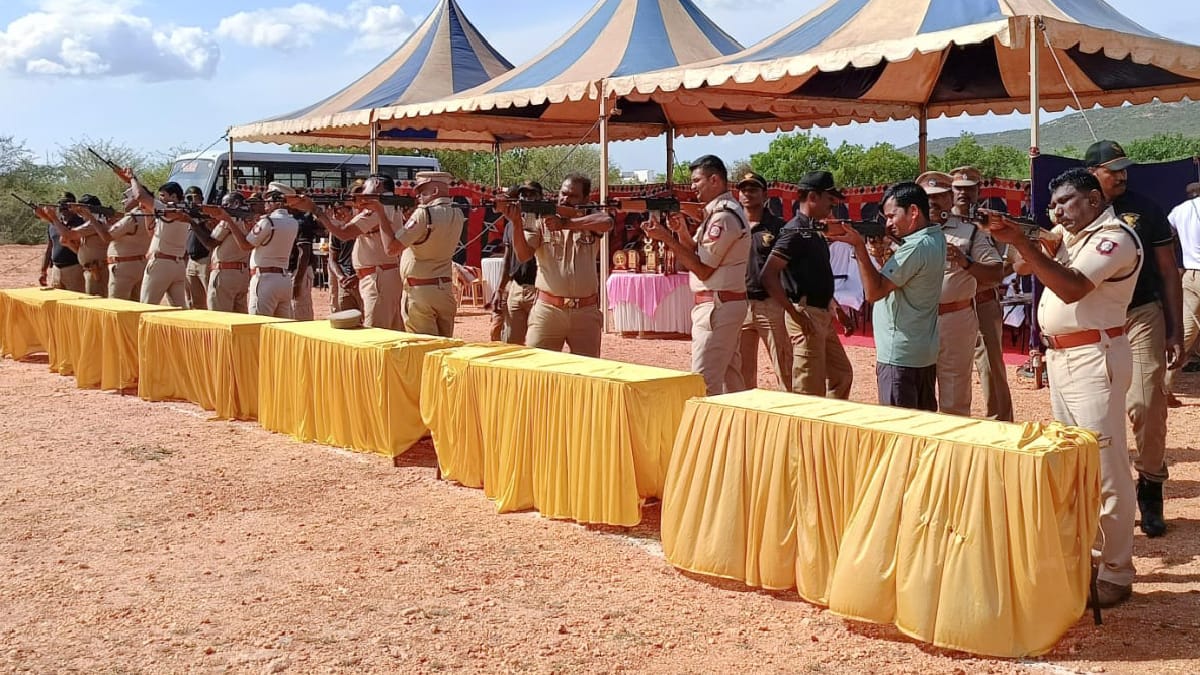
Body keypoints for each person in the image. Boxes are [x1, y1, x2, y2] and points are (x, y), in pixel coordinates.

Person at [987, 167, 1141, 608]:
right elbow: (1020, 265)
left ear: (1094, 200)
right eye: (1053, 205)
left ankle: (1117, 570)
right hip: (1064, 357)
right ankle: (1088, 557)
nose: (1058, 212)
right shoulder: (1071, 233)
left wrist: (1022, 241)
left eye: (1067, 202)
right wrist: (1026, 239)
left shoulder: (1114, 238)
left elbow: (1073, 288)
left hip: (1095, 356)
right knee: (1077, 461)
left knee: (1107, 468)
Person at [1086, 140, 1182, 538]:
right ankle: (1101, 493)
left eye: (1125, 168)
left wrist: (1175, 328)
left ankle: (1151, 485)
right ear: (1093, 174)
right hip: (1094, 321)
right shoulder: (1073, 211)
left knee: (1145, 402)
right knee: (1096, 412)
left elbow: (1168, 270)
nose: (1122, 175)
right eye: (1113, 169)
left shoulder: (1146, 210)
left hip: (1141, 315)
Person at [830, 182, 945, 411]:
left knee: (899, 433)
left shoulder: (914, 247)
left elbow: (874, 292)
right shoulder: (935, 237)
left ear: (913, 212)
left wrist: (858, 247)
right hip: (921, 352)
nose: (889, 224)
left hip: (899, 355)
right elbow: (903, 281)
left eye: (892, 216)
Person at [644, 155, 749, 395]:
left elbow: (703, 269)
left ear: (714, 180)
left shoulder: (723, 217)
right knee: (730, 380)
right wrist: (680, 232)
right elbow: (697, 253)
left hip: (717, 305)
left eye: (696, 181)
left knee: (703, 383)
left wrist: (667, 238)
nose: (692, 187)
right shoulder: (718, 214)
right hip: (720, 303)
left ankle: (706, 433)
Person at [760, 170, 852, 398]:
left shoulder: (813, 230)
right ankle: (808, 432)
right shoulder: (794, 232)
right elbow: (768, 275)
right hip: (805, 313)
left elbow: (816, 276)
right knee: (809, 388)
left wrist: (836, 307)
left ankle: (827, 426)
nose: (831, 206)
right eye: (829, 200)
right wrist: (794, 313)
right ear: (813, 197)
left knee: (842, 374)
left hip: (820, 312)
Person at [919, 170, 1003, 416]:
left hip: (954, 319)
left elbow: (996, 272)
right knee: (916, 394)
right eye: (928, 197)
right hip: (915, 321)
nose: (933, 202)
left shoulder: (970, 231)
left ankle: (953, 452)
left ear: (949, 198)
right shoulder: (906, 231)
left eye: (940, 196)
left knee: (954, 395)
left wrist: (965, 262)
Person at [505, 173, 612, 357]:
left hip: (585, 312)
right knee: (536, 371)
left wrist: (566, 224)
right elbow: (523, 255)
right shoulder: (542, 216)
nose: (565, 198)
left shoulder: (591, 214)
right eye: (563, 193)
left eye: (573, 196)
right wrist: (516, 223)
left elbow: (606, 222)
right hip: (548, 309)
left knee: (587, 374)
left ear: (586, 198)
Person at [952, 166, 1015, 421]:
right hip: (953, 306)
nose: (964, 194)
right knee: (952, 369)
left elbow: (1011, 260)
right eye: (959, 189)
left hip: (983, 302)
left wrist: (986, 275)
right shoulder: (944, 223)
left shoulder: (991, 223)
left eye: (969, 189)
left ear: (979, 191)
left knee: (991, 370)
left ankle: (1001, 425)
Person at [369, 170, 464, 337]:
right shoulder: (457, 212)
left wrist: (381, 213)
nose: (418, 196)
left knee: (423, 348)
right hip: (445, 289)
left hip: (420, 291)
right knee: (443, 348)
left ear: (434, 191)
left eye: (422, 191)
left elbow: (391, 248)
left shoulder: (424, 214)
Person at [736, 172, 791, 391]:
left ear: (765, 194)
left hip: (771, 305)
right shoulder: (733, 225)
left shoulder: (778, 227)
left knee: (784, 367)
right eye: (744, 189)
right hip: (739, 304)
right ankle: (746, 420)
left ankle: (791, 415)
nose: (748, 193)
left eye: (753, 189)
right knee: (741, 372)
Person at [117, 169, 193, 308]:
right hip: (177, 264)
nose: (161, 199)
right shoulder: (183, 211)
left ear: (174, 196)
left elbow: (139, 195)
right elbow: (152, 232)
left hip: (161, 263)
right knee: (180, 310)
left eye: (163, 195)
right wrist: (147, 210)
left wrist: (132, 178)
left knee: (146, 307)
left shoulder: (168, 209)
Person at [493, 181, 541, 344]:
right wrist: (500, 289)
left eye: (531, 194)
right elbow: (507, 259)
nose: (526, 198)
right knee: (511, 344)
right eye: (523, 195)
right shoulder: (512, 224)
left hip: (538, 290)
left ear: (540, 197)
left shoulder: (545, 224)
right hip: (516, 288)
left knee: (538, 346)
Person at [244, 182, 300, 318]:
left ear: (279, 202)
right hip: (283, 278)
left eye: (269, 200)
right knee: (281, 330)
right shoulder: (293, 222)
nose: (266, 204)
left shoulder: (268, 222)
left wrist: (228, 220)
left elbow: (245, 245)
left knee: (258, 325)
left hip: (265, 278)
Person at [1166, 182, 1200, 402]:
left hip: (1191, 274)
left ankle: (1163, 387)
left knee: (1185, 332)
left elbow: (1166, 235)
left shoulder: (1179, 210)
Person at [194, 192, 252, 313]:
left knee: (219, 316)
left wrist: (192, 223)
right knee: (240, 317)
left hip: (224, 273)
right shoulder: (248, 219)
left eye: (226, 204)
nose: (223, 208)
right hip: (242, 273)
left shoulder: (229, 219)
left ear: (236, 204)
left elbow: (210, 243)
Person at [72, 194, 110, 297]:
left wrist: (52, 219)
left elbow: (68, 235)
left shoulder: (95, 224)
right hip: (91, 269)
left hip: (98, 269)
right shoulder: (93, 223)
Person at [183, 186, 210, 310]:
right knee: (194, 301)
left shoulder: (207, 214)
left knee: (210, 298)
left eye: (195, 198)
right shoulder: (185, 216)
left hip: (205, 259)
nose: (192, 201)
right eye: (189, 198)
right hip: (191, 260)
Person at [289, 209, 318, 320]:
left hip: (299, 270)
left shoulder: (302, 221)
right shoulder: (293, 219)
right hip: (293, 270)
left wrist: (298, 280)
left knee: (299, 311)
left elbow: (304, 252)